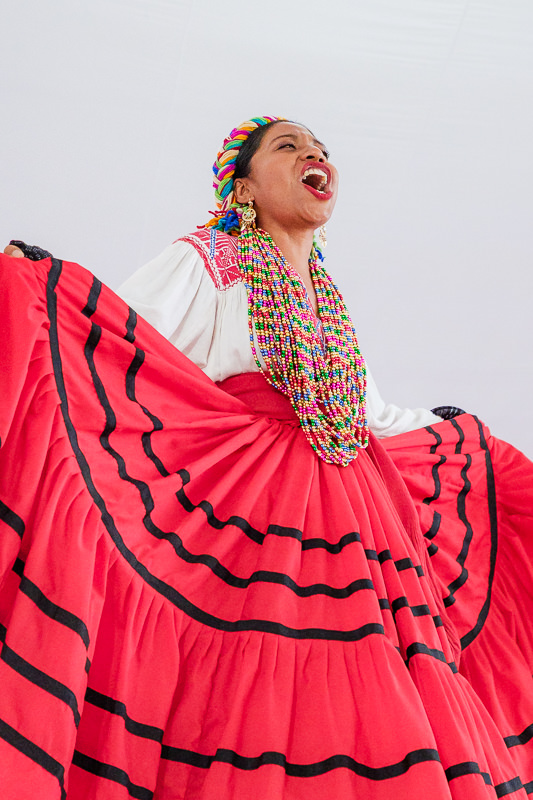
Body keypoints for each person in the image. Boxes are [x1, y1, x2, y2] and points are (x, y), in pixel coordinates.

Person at [1, 116, 532, 799]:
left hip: (356, 511)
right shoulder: (210, 258)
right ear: (243, 186)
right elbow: (124, 337)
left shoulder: (327, 303)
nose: (314, 153)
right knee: (254, 688)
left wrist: (452, 435)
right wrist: (48, 289)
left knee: (365, 688)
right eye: (288, 146)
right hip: (258, 512)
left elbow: (364, 413)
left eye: (321, 149)